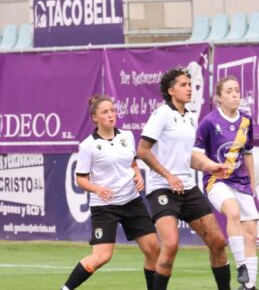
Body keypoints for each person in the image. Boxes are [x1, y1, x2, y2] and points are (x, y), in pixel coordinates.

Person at [137, 66, 232, 290]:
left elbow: (190, 157)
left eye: (190, 85)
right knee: (170, 246)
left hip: (188, 188)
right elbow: (142, 150)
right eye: (183, 85)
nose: (189, 89)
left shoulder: (190, 117)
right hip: (162, 189)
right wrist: (168, 176)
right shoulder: (162, 114)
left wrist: (211, 166)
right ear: (171, 91)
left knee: (218, 242)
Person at [62, 95, 160, 290]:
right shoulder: (88, 146)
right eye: (105, 112)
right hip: (105, 207)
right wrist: (97, 188)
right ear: (94, 117)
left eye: (113, 110)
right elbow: (80, 179)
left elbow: (132, 164)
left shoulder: (127, 136)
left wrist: (138, 175)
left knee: (154, 250)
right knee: (102, 256)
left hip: (132, 201)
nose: (111, 115)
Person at [193, 76, 259, 290]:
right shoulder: (209, 122)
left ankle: (249, 286)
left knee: (251, 233)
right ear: (218, 98)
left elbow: (247, 153)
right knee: (233, 212)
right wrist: (213, 166)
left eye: (237, 91)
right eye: (229, 91)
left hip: (241, 181)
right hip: (216, 180)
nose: (234, 95)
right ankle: (241, 267)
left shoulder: (246, 121)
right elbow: (195, 156)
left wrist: (252, 182)